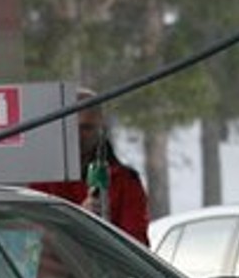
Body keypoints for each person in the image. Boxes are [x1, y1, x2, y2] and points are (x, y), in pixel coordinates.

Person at [30, 92, 150, 244]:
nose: (77, 136)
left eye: (86, 128)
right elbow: (32, 240)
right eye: (70, 128)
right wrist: (79, 218)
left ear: (100, 129)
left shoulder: (125, 181)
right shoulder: (42, 179)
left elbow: (137, 245)